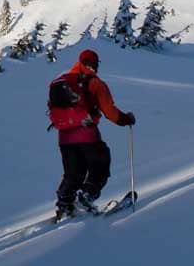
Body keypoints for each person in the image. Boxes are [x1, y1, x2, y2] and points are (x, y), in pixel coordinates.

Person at [49, 49, 135, 220]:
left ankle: (65, 203)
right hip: (87, 134)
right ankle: (86, 196)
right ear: (95, 64)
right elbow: (110, 111)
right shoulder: (95, 83)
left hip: (64, 137)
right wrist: (126, 119)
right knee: (100, 163)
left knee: (73, 172)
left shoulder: (62, 80)